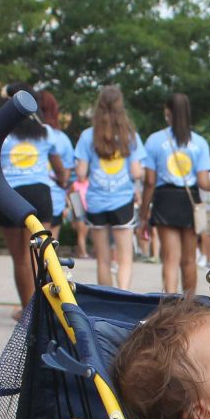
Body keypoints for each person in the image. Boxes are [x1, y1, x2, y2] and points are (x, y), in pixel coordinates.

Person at [0, 82, 65, 318]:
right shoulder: (46, 132)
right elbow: (60, 168)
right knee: (40, 256)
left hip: (8, 195)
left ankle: (28, 311)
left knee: (20, 259)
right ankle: (42, 310)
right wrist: (63, 180)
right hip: (39, 194)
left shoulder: (0, 133)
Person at [138, 93, 210, 296]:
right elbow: (203, 182)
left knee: (170, 259)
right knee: (189, 259)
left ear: (167, 112)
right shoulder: (199, 142)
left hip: (165, 199)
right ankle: (189, 306)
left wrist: (144, 213)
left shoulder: (155, 140)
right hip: (189, 200)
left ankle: (170, 306)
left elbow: (149, 181)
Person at [75, 85, 145, 290]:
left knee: (103, 259)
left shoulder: (88, 136)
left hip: (96, 202)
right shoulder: (130, 135)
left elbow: (80, 172)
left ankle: (106, 299)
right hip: (122, 200)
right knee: (125, 258)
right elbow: (136, 172)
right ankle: (123, 296)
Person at [36, 90, 75, 246]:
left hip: (30, 196)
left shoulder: (24, 135)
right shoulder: (61, 138)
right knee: (49, 252)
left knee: (28, 254)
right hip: (55, 200)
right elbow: (67, 173)